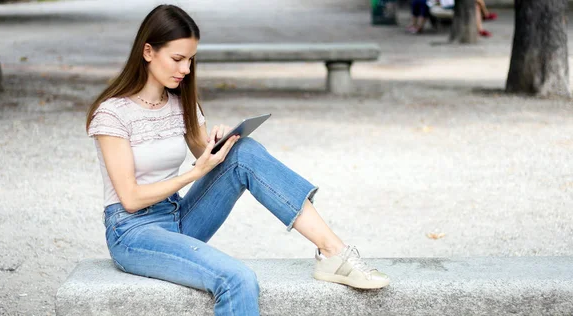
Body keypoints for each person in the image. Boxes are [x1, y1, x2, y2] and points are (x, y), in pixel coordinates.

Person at [85, 4, 390, 315]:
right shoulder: (113, 113)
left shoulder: (179, 103)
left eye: (190, 60)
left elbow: (205, 156)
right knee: (237, 278)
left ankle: (333, 253)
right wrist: (193, 174)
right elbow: (131, 198)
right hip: (134, 233)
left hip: (178, 217)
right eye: (177, 59)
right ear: (148, 51)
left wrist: (218, 145)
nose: (186, 69)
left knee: (244, 151)